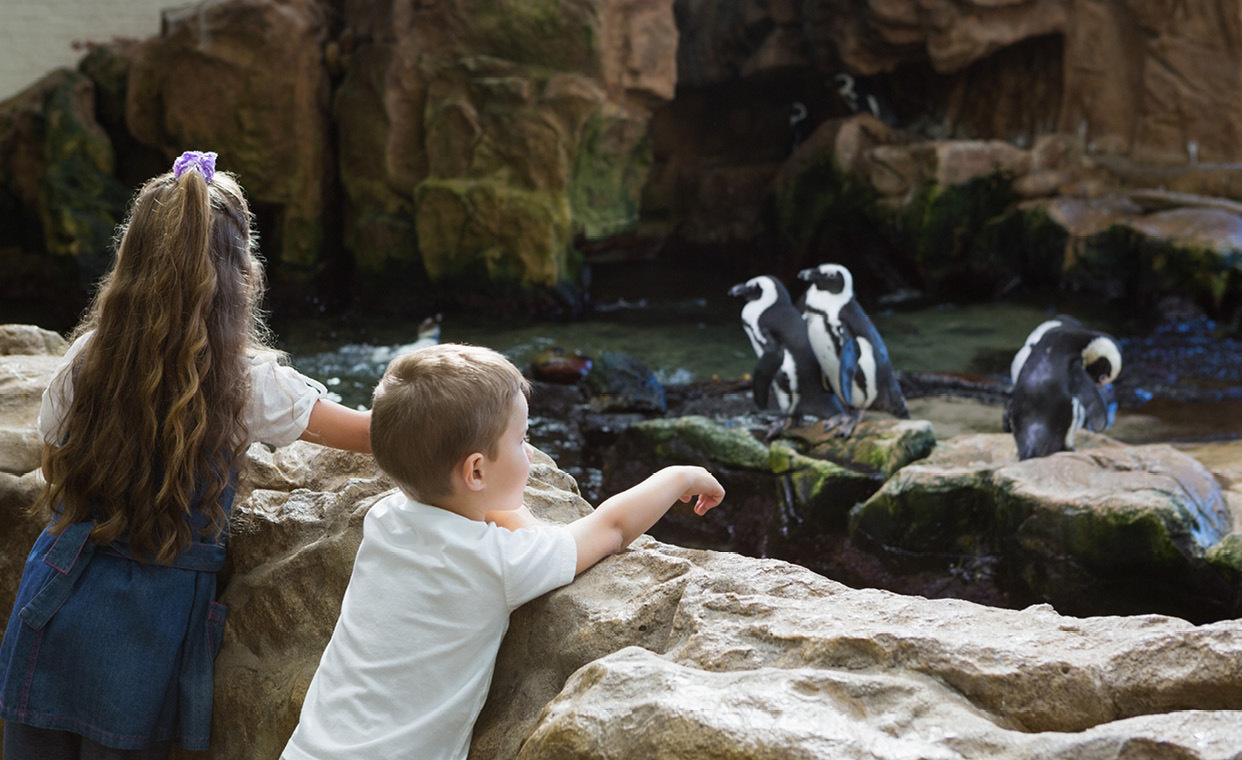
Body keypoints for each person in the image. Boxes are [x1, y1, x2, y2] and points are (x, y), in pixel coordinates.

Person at [0, 151, 372, 760]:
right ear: (242, 272)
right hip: (150, 627)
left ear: (131, 259)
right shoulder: (246, 382)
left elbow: (53, 461)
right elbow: (376, 434)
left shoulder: (88, 357)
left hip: (57, 599)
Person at [281, 344, 725, 760]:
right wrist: (679, 476)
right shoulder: (500, 563)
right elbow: (609, 528)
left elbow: (493, 514)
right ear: (475, 470)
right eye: (521, 439)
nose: (530, 451)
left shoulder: (385, 518)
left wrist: (503, 500)